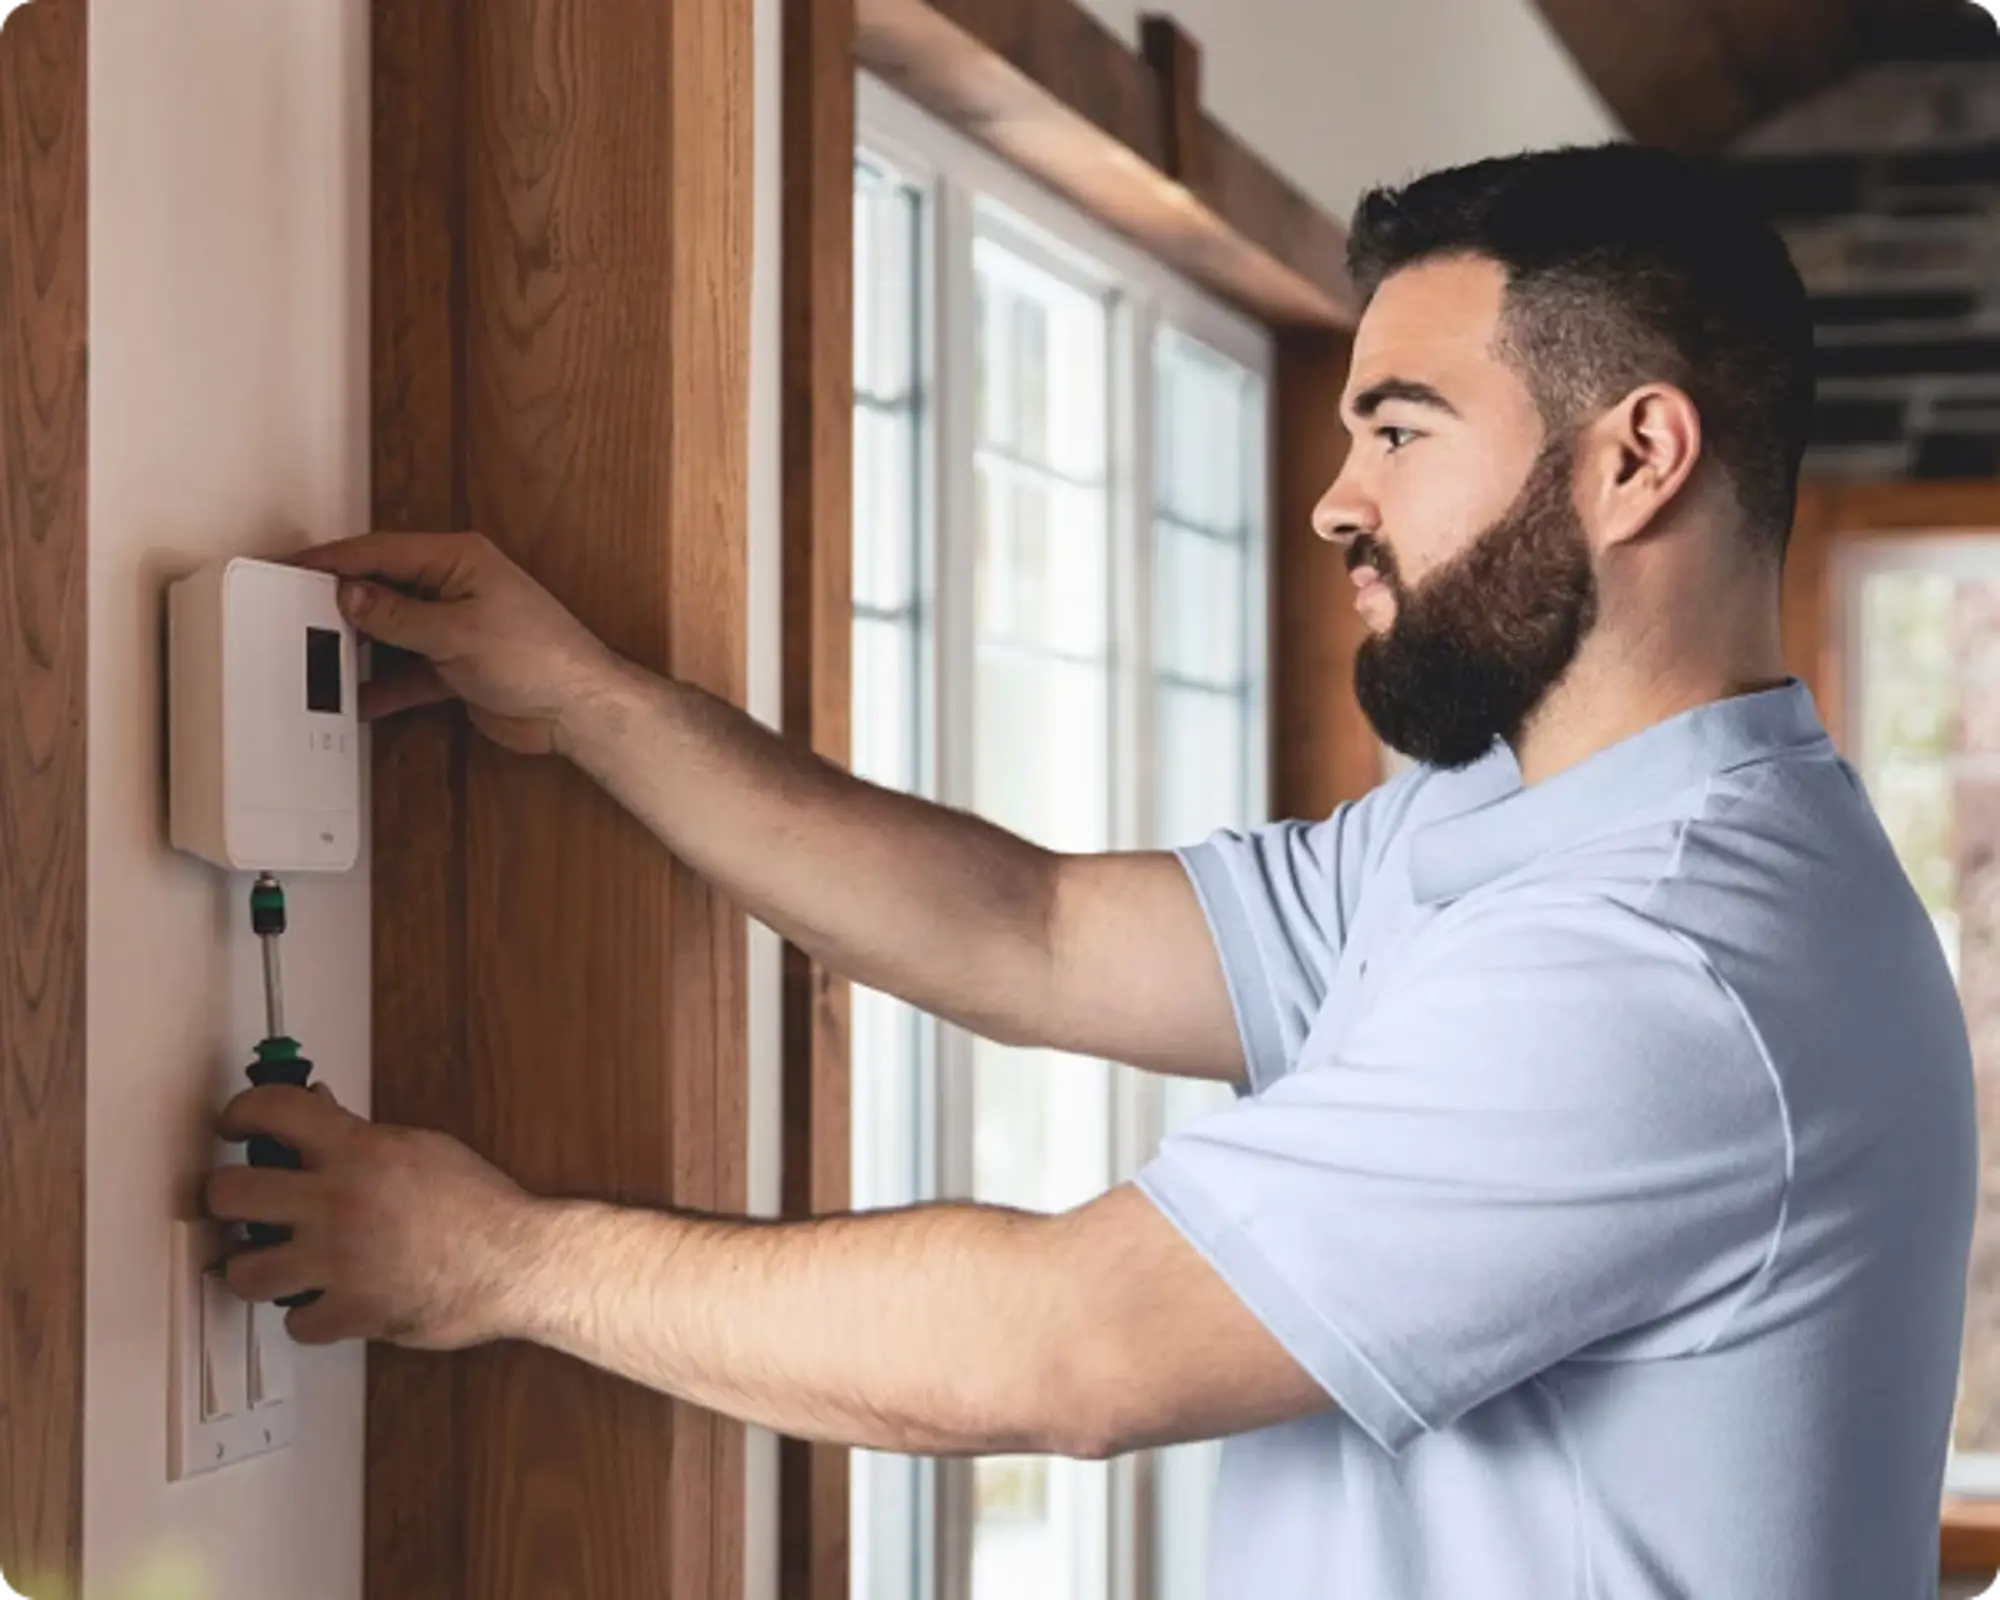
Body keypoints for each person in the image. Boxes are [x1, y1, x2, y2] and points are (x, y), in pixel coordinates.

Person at [207, 142, 1978, 1598]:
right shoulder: (1505, 830)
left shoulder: (1665, 960)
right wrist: (589, 705)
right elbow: (1035, 930)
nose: (1335, 500)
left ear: (1636, 459)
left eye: (1403, 425)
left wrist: (492, 1263)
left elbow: (1066, 1350)